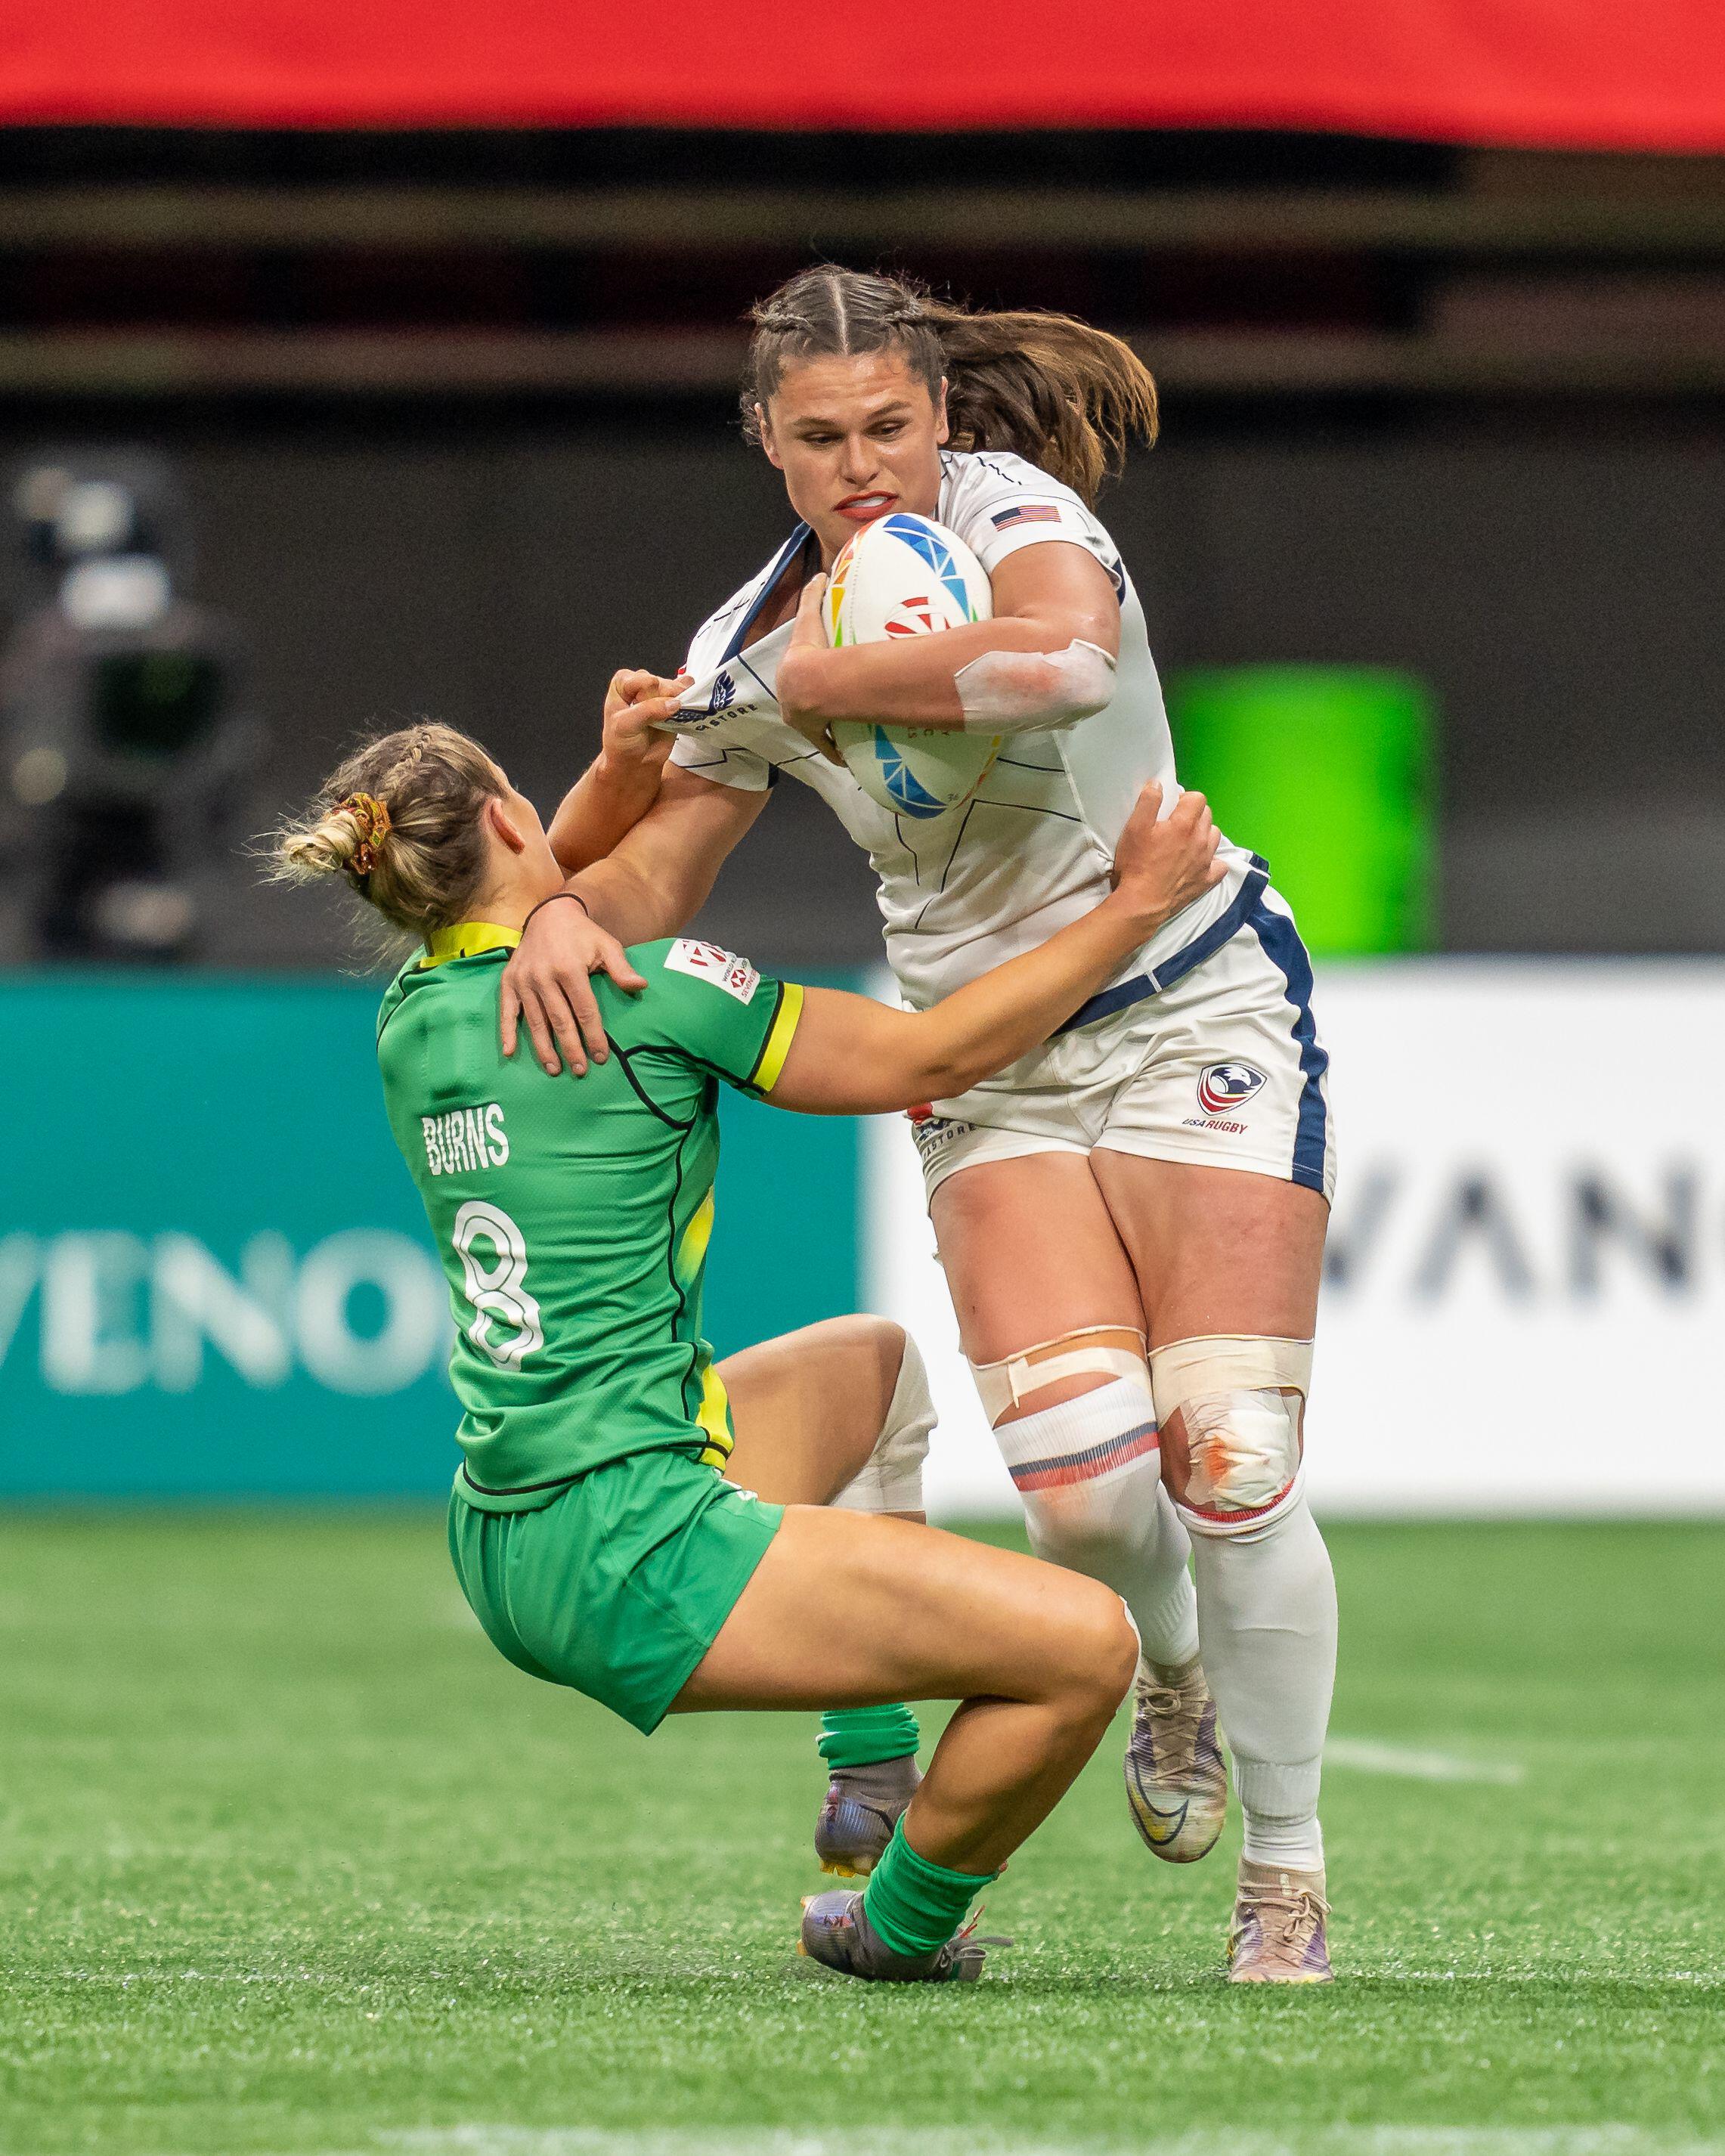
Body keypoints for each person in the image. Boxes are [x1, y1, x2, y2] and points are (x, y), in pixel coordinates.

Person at [497, 266, 1342, 1984]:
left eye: (890, 423)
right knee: (1097, 1502)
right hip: (993, 1057)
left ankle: (1284, 1868)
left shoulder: (1014, 512)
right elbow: (652, 873)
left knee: (1231, 1455)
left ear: (939, 413)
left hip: (1190, 992)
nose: (862, 462)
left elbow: (1053, 663)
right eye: (820, 438)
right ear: (766, 444)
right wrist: (561, 911)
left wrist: (818, 691)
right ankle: (1168, 1672)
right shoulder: (745, 641)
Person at [272, 720, 1224, 1985]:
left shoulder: (412, 1019)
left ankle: (871, 1779)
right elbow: (927, 1058)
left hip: (507, 1522)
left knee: (872, 1371)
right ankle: (899, 1925)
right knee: (1085, 1650)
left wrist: (632, 769)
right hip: (634, 1546)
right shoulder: (644, 992)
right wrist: (1135, 906)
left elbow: (593, 874)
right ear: (511, 822)